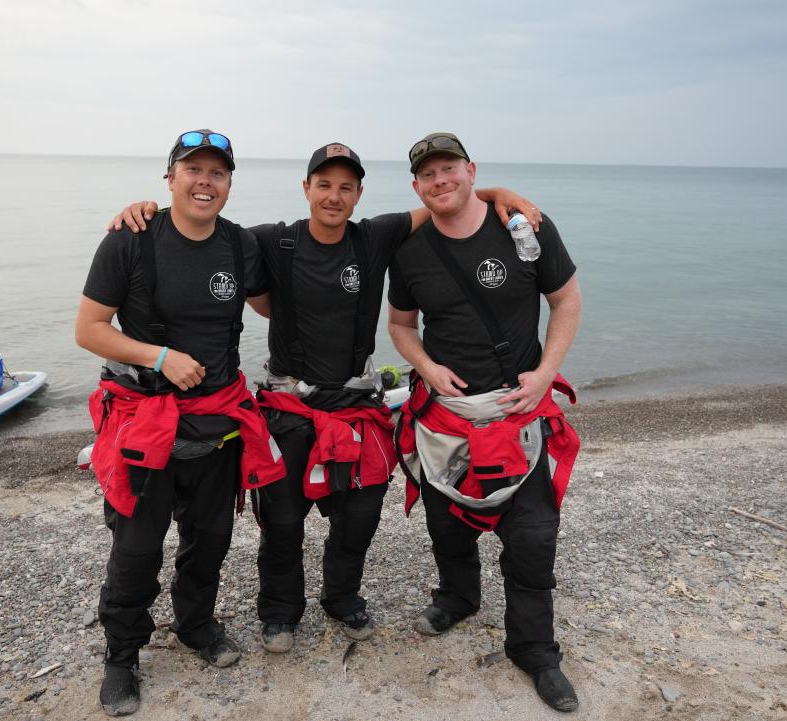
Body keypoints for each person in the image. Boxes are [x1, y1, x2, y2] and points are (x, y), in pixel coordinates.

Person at [110, 143, 541, 655]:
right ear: (306, 188)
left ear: (359, 194)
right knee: (283, 520)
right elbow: (199, 231)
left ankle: (341, 597)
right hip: (288, 404)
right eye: (324, 185)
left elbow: (446, 199)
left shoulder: (376, 237)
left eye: (345, 187)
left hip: (356, 405)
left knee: (358, 517)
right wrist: (147, 212)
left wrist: (496, 192)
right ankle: (279, 610)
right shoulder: (271, 242)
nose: (333, 197)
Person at [76, 129, 284, 717]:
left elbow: (280, 297)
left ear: (228, 185)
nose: (205, 182)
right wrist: (158, 357)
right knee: (137, 547)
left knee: (210, 539)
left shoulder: (243, 248)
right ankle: (122, 656)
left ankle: (195, 624)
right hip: (146, 423)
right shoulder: (131, 241)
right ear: (169, 179)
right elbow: (89, 329)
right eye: (193, 170)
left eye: (218, 173)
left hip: (216, 424)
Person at [387, 132, 583, 712]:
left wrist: (547, 372)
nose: (441, 180)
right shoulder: (411, 251)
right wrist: (424, 365)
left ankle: (535, 650)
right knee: (447, 522)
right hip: (445, 418)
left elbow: (566, 300)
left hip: (517, 410)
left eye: (450, 168)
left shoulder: (524, 229)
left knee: (532, 536)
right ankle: (458, 597)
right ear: (417, 186)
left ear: (471, 171)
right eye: (429, 174)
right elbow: (401, 325)